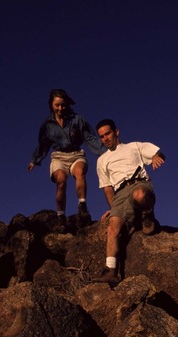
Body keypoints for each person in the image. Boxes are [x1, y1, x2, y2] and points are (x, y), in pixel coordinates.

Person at [93, 118, 165, 284]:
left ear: (116, 132)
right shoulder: (102, 160)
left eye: (108, 133)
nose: (105, 138)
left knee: (139, 195)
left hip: (138, 183)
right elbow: (107, 187)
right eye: (102, 136)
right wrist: (114, 209)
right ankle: (111, 271)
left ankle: (147, 216)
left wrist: (155, 158)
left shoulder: (134, 146)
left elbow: (157, 153)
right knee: (113, 227)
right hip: (119, 194)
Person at [27, 88, 106, 231]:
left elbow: (90, 138)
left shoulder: (77, 119)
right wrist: (35, 160)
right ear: (51, 104)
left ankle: (82, 206)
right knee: (61, 181)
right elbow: (44, 144)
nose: (60, 108)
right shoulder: (47, 125)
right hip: (59, 156)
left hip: (76, 154)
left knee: (79, 172)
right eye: (57, 105)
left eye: (63, 105)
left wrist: (104, 152)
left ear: (67, 104)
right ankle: (61, 217)